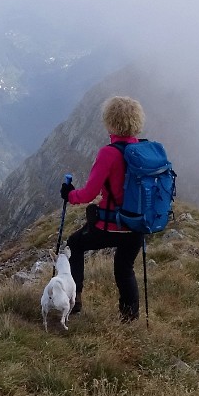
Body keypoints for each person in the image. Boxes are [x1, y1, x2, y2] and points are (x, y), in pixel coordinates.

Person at [59, 96, 147, 322]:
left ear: (111, 122)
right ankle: (130, 319)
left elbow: (89, 193)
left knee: (75, 244)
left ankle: (74, 299)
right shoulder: (142, 151)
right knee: (125, 269)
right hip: (137, 225)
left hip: (112, 224)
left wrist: (69, 194)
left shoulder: (109, 153)